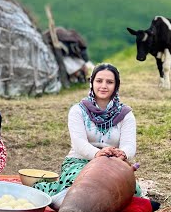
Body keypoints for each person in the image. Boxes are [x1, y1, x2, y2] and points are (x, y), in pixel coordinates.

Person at [34, 62, 142, 197]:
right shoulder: (78, 111)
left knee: (133, 191)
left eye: (109, 82)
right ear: (92, 83)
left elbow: (129, 145)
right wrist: (98, 154)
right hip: (79, 161)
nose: (103, 86)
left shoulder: (125, 114)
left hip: (112, 164)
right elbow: (79, 144)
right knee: (85, 185)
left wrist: (123, 154)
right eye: (99, 81)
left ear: (116, 86)